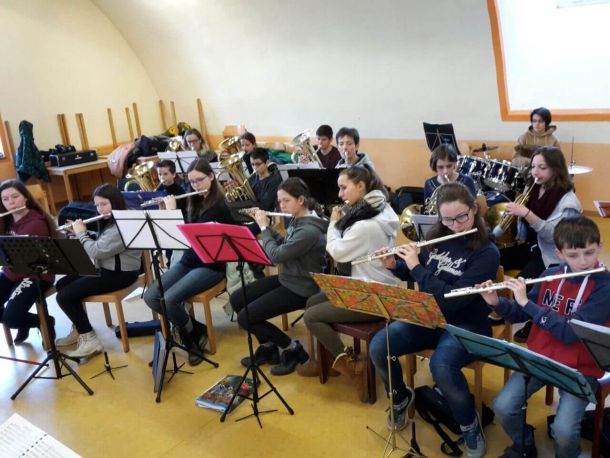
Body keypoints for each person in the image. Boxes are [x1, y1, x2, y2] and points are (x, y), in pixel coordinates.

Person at [369, 182, 499, 457]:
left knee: (442, 366)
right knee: (380, 345)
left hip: (467, 322)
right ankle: (400, 397)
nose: (456, 226)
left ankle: (469, 423)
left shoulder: (487, 252)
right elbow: (419, 273)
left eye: (462, 217)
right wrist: (396, 266)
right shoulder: (437, 237)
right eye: (447, 220)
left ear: (474, 209)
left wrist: (415, 266)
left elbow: (452, 298)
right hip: (430, 316)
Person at [479, 216, 610, 458]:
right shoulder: (550, 274)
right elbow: (521, 312)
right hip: (541, 358)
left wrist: (527, 303)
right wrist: (497, 302)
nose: (583, 262)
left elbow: (570, 334)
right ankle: (524, 444)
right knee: (503, 406)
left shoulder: (605, 287)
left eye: (589, 252)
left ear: (599, 247)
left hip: (580, 369)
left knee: (564, 431)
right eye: (573, 255)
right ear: (559, 253)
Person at [301, 165, 400, 401]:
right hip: (367, 283)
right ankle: (327, 360)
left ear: (361, 186)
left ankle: (352, 366)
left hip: (375, 295)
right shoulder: (380, 206)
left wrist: (334, 223)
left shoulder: (365, 225)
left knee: (311, 316)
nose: (340, 194)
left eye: (344, 188)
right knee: (312, 301)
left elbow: (336, 251)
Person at [230, 177, 328, 375]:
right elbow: (285, 245)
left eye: (286, 200)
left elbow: (276, 256)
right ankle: (268, 348)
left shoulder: (309, 230)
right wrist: (269, 228)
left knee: (245, 318)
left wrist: (263, 228)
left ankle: (293, 349)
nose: (281, 205)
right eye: (280, 201)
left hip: (302, 287)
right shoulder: (297, 219)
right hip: (288, 279)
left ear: (301, 200)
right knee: (237, 299)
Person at [144, 158, 234, 366]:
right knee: (151, 296)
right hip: (189, 260)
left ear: (211, 177)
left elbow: (190, 234)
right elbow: (176, 235)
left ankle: (190, 342)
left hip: (211, 265)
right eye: (192, 182)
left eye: (200, 180)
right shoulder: (194, 200)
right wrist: (165, 212)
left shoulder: (219, 206)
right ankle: (196, 329)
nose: (196, 186)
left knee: (169, 300)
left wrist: (173, 213)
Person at [501, 146, 582, 341]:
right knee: (493, 256)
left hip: (551, 253)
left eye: (542, 168)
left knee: (520, 284)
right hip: (532, 245)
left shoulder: (568, 201)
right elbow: (525, 229)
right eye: (533, 167)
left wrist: (526, 213)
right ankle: (494, 305)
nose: (535, 172)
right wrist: (512, 218)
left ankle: (534, 318)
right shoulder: (534, 187)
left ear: (556, 169)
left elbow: (556, 237)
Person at [55, 184, 142, 359]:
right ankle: (80, 328)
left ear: (116, 202)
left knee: (64, 296)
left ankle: (90, 339)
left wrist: (82, 234)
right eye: (97, 205)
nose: (100, 209)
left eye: (104, 204)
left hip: (120, 274)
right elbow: (103, 242)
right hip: (108, 269)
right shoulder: (112, 219)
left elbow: (96, 251)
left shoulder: (123, 224)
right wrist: (80, 233)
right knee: (62, 284)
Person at [0, 180, 57, 344]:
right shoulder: (6, 221)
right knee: (12, 314)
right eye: (5, 199)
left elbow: (20, 263)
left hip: (36, 275)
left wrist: (7, 276)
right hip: (13, 272)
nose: (11, 202)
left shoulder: (35, 223)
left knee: (11, 318)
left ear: (25, 197)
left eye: (15, 197)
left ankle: (44, 321)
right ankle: (23, 321)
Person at [424, 143, 478, 208]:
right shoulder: (429, 183)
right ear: (435, 167)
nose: (445, 171)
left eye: (449, 166)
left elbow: (473, 207)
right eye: (440, 167)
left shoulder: (467, 181)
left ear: (455, 164)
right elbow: (427, 208)